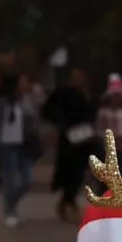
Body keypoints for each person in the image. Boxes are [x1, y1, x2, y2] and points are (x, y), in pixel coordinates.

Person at [44, 65, 96, 220]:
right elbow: (48, 110)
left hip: (85, 138)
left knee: (80, 172)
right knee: (69, 171)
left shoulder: (87, 94)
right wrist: (61, 124)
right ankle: (68, 201)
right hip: (69, 138)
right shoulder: (63, 94)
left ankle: (68, 200)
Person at [0, 64, 38, 227]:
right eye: (22, 82)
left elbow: (33, 118)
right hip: (7, 144)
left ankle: (12, 202)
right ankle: (10, 210)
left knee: (27, 179)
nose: (24, 85)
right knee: (9, 180)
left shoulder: (26, 101)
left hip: (24, 144)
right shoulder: (2, 102)